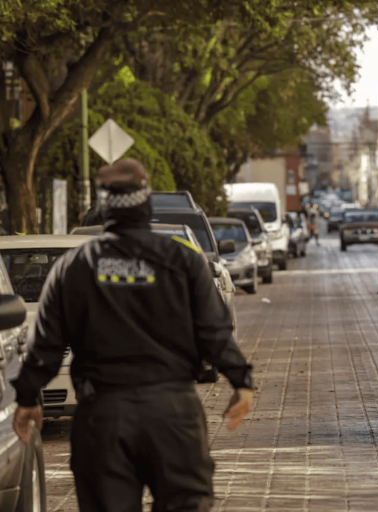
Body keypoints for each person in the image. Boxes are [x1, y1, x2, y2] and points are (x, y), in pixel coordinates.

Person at [12, 159, 254, 512]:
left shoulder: (74, 267)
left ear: (102, 207)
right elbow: (215, 331)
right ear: (146, 203)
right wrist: (241, 381)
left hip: (103, 417)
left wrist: (28, 396)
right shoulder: (183, 261)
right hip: (173, 413)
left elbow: (45, 344)